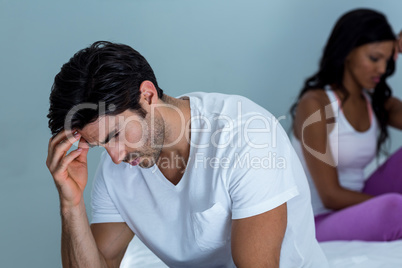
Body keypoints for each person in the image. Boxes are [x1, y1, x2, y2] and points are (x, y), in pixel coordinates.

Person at [46, 41, 328, 267]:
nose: (115, 157)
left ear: (147, 95)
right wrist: (71, 204)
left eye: (116, 135)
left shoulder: (246, 136)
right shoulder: (116, 169)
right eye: (101, 146)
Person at [291, 8, 402, 242]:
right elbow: (330, 195)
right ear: (348, 51)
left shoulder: (377, 103)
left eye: (386, 59)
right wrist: (386, 204)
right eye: (374, 58)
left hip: (360, 201)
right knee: (395, 209)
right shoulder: (315, 104)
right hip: (317, 218)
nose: (382, 70)